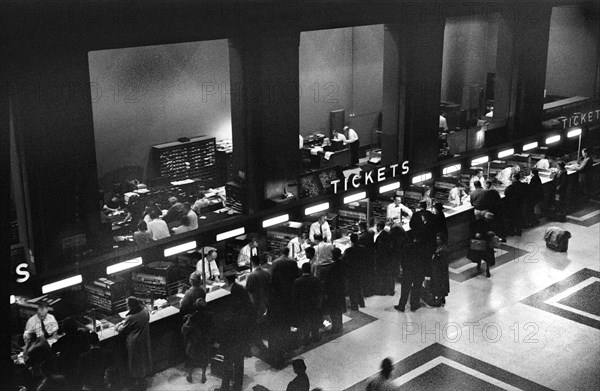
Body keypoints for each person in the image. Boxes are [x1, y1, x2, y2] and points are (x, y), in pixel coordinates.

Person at [269, 247, 301, 367]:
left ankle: (278, 355)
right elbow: (297, 275)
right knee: (286, 327)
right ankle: (286, 349)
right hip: (289, 294)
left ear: (280, 253)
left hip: (280, 296)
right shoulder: (292, 262)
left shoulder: (276, 263)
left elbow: (271, 278)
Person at [116, 297, 152, 386]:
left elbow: (122, 330)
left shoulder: (130, 317)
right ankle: (144, 377)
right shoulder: (145, 310)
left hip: (134, 343)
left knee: (135, 362)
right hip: (144, 339)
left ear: (130, 305)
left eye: (127, 305)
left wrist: (118, 325)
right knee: (144, 358)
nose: (127, 306)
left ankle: (138, 381)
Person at [181, 297, 213, 384]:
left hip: (194, 342)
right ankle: (203, 376)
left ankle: (190, 376)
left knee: (191, 359)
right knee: (204, 359)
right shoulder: (209, 315)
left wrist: (188, 319)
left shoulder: (193, 318)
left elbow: (184, 329)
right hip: (205, 341)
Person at [51, 317, 89, 386]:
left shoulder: (63, 340)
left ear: (64, 329)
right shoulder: (82, 336)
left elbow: (53, 349)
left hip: (69, 368)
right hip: (83, 366)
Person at [293, 263, 323, 345]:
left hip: (303, 306)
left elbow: (295, 296)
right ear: (310, 270)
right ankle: (315, 336)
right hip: (314, 305)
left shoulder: (297, 281)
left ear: (302, 270)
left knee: (304, 322)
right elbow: (320, 293)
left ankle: (305, 339)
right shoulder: (315, 279)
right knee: (314, 321)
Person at [394, 239, 424, 312]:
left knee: (405, 289)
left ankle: (402, 305)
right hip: (418, 271)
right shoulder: (423, 248)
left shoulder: (407, 247)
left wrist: (403, 269)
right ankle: (414, 304)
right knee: (416, 288)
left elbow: (402, 260)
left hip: (407, 271)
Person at [322, 248, 346, 333]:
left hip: (333, 291)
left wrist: (326, 292)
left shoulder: (332, 267)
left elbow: (328, 281)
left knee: (333, 310)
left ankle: (335, 327)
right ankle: (339, 325)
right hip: (340, 289)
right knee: (338, 309)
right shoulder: (342, 263)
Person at [467, 212, 496, 278]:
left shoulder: (481, 221)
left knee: (483, 255)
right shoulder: (480, 222)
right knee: (485, 256)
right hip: (484, 241)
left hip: (485, 241)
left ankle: (486, 269)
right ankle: (482, 267)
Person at [342, 233, 366, 310]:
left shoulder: (348, 250)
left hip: (351, 272)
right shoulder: (362, 248)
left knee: (351, 289)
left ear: (351, 240)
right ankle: (361, 303)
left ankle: (354, 305)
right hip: (360, 270)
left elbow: (343, 260)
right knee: (359, 286)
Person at [246, 255, 271, 324]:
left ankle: (259, 328)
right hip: (266, 295)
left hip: (256, 297)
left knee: (258, 314)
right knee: (266, 312)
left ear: (252, 263)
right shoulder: (266, 271)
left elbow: (248, 288)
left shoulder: (251, 275)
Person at [373, 221, 394, 296]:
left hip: (382, 259)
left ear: (379, 227)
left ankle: (383, 291)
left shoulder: (380, 237)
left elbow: (379, 249)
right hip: (388, 258)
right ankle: (390, 290)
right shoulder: (387, 234)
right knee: (387, 274)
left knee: (381, 275)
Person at [430, 233, 450, 306]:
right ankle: (442, 298)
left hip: (439, 270)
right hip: (440, 270)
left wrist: (434, 257)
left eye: (438, 239)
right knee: (441, 284)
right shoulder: (441, 247)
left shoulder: (442, 250)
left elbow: (441, 261)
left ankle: (438, 300)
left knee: (439, 284)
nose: (437, 240)